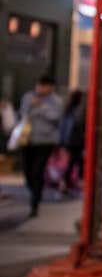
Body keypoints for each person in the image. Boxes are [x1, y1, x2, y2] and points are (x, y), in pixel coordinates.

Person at [19, 75, 62, 217]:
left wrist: (41, 107)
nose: (40, 88)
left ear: (50, 87)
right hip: (28, 139)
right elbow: (23, 113)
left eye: (44, 86)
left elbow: (56, 117)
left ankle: (34, 203)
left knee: (38, 171)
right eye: (39, 85)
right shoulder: (28, 97)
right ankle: (34, 191)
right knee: (27, 171)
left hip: (45, 141)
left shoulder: (56, 101)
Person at [59, 90, 86, 195]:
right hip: (77, 141)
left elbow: (62, 126)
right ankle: (77, 182)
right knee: (77, 162)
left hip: (69, 140)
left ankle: (65, 183)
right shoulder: (80, 110)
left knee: (72, 162)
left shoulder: (67, 109)